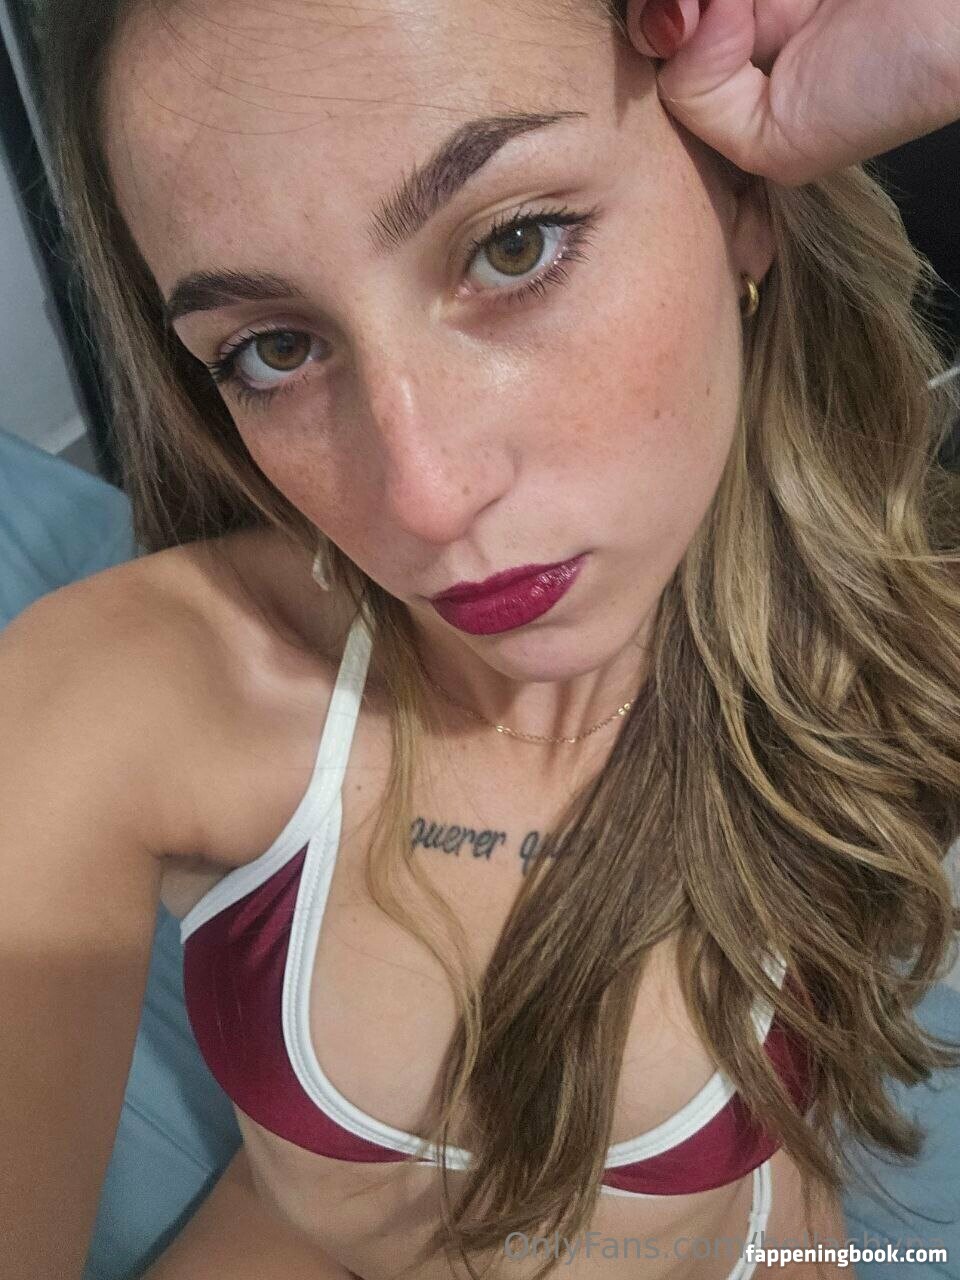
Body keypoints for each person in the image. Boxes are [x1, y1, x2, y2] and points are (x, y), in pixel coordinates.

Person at [4, 1, 960, 1278]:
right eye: (274, 347)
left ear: (743, 190)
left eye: (515, 244)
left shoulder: (886, 651)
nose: (424, 498)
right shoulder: (133, 696)